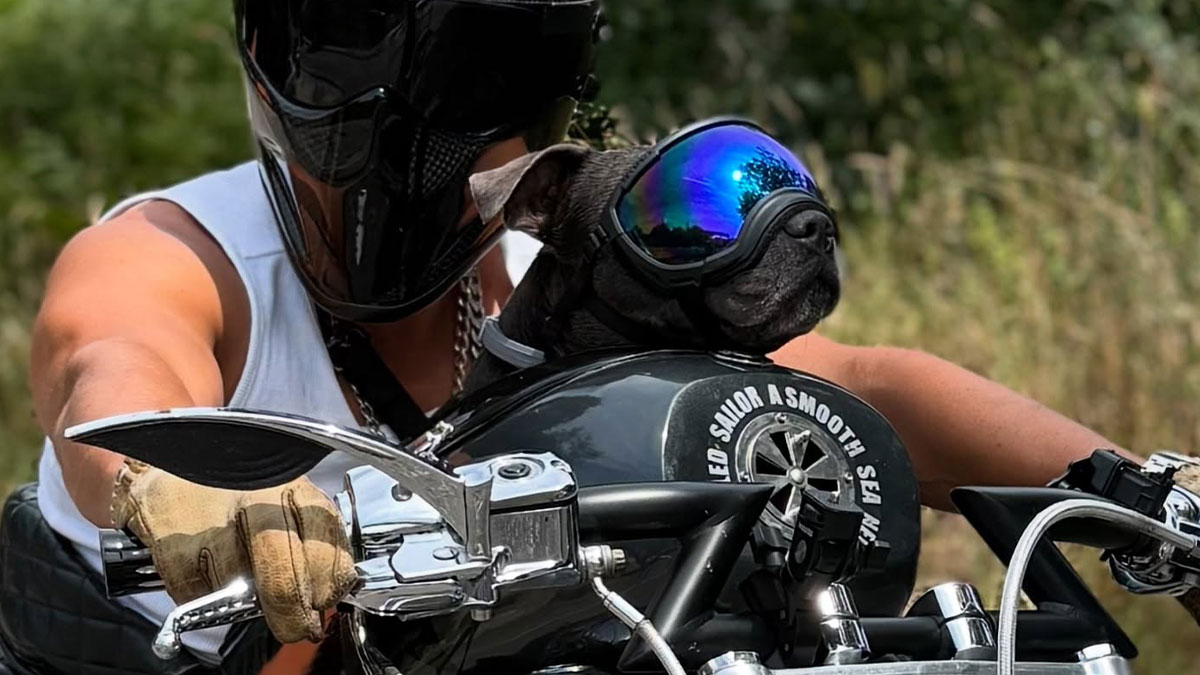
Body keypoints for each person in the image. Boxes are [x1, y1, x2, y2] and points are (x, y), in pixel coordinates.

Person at [15, 0, 1128, 672]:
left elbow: (856, 385)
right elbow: (111, 373)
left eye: (494, 97)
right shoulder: (172, 252)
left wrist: (1138, 490)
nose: (457, 148)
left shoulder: (553, 272)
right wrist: (178, 490)